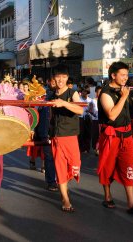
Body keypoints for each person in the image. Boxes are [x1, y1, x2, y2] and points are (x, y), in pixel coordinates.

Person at [97, 61, 133, 215]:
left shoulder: (125, 91)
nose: (125, 78)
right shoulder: (105, 93)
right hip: (111, 136)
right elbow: (111, 114)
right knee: (107, 167)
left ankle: (131, 203)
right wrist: (124, 97)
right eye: (122, 75)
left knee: (128, 167)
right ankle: (107, 196)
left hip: (127, 135)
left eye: (126, 75)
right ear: (113, 75)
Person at [50, 64, 83, 212]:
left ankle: (64, 185)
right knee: (60, 168)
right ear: (53, 79)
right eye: (58, 77)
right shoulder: (50, 96)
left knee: (75, 165)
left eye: (63, 77)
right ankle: (65, 198)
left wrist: (63, 103)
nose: (60, 80)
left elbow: (80, 110)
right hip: (56, 137)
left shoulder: (72, 93)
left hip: (70, 136)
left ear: (67, 78)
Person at [78, 87, 92, 153]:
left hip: (88, 117)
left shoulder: (90, 100)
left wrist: (89, 111)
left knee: (88, 133)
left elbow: (92, 109)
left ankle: (87, 148)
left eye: (86, 91)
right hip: (80, 118)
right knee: (81, 133)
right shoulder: (78, 99)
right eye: (83, 91)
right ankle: (81, 148)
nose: (85, 93)